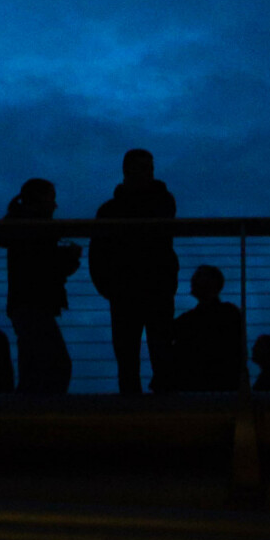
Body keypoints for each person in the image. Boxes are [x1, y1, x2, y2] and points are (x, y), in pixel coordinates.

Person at [88, 149, 178, 395]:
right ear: (128, 170)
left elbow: (98, 250)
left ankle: (157, 401)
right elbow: (98, 251)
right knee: (129, 353)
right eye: (143, 167)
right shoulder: (113, 209)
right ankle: (137, 401)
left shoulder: (159, 200)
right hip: (128, 289)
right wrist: (107, 286)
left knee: (158, 349)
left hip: (151, 287)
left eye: (150, 167)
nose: (148, 172)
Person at [0, 178, 81, 395]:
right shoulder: (34, 227)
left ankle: (31, 411)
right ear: (39, 199)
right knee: (56, 366)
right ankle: (44, 412)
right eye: (51, 198)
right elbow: (44, 266)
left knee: (34, 370)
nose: (55, 205)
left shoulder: (23, 225)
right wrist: (69, 257)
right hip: (33, 304)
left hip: (26, 304)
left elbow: (39, 264)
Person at [171, 265, 246, 392]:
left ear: (213, 283)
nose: (193, 279)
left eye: (199, 275)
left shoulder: (194, 319)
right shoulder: (229, 313)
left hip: (201, 387)